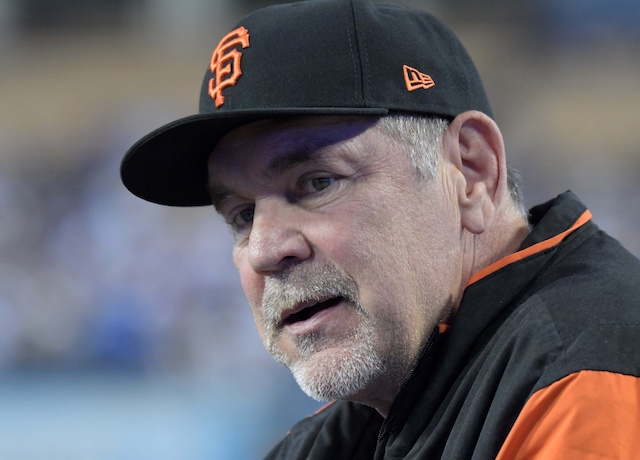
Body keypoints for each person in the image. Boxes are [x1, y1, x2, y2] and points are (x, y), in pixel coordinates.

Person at [120, 0, 640, 458]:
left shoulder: (587, 377)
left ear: (472, 172)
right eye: (241, 214)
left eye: (317, 182)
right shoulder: (344, 431)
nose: (263, 250)